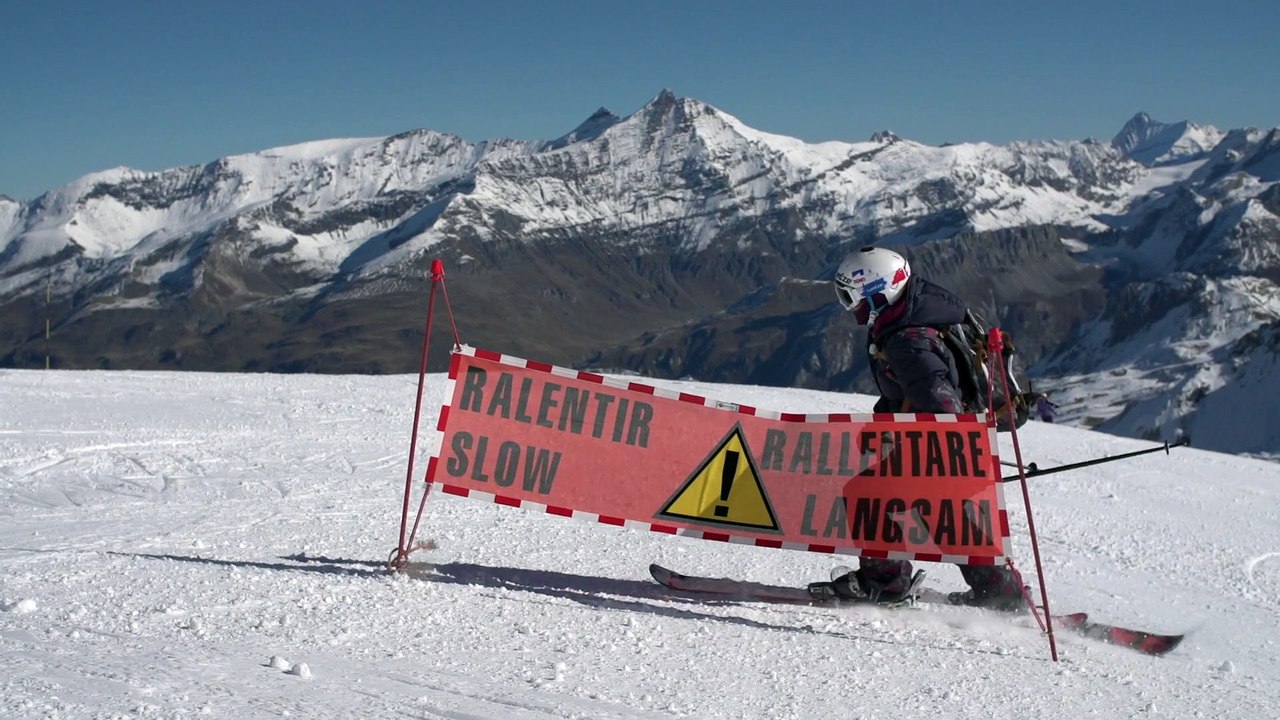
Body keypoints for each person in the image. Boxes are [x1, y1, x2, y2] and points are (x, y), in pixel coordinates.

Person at [819, 245, 1026, 611]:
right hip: (962, 443)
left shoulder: (906, 341)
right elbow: (914, 393)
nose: (849, 308)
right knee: (938, 507)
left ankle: (885, 584)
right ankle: (1001, 593)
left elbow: (938, 401)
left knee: (867, 496)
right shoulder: (924, 306)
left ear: (877, 292)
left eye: (851, 297)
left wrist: (931, 450)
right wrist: (887, 421)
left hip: (945, 443)